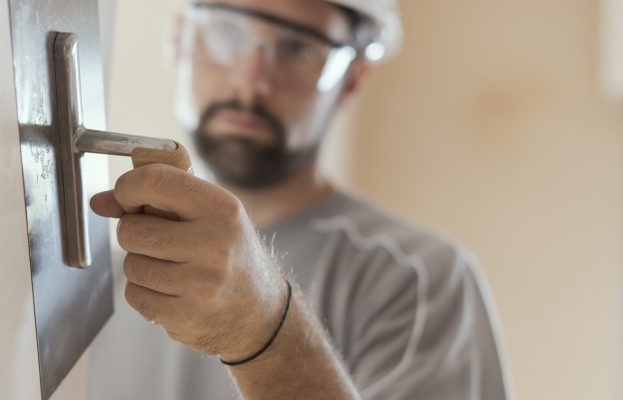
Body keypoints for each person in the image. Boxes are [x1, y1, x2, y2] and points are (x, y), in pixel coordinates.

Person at [87, 0, 511, 398]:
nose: (251, 82)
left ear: (353, 80)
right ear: (177, 39)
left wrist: (263, 334)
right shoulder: (91, 269)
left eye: (298, 49)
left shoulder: (419, 282)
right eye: (226, 34)